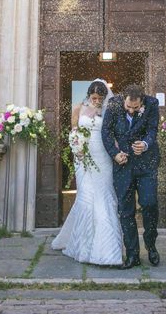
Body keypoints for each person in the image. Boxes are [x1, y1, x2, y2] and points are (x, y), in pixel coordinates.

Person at [51, 79, 122, 265]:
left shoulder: (109, 111)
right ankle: (82, 245)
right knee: (85, 196)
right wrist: (77, 147)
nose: (97, 101)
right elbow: (74, 131)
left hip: (103, 156)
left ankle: (107, 249)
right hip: (83, 157)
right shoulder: (78, 108)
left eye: (100, 98)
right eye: (94, 97)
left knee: (103, 195)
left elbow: (113, 135)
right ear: (89, 95)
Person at [101, 84, 160, 269]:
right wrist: (114, 153)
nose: (132, 111)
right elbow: (106, 131)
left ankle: (151, 245)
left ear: (141, 100)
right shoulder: (113, 104)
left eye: (136, 108)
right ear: (123, 98)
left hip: (146, 164)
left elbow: (152, 130)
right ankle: (132, 254)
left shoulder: (152, 103)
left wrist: (145, 143)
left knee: (149, 203)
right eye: (128, 107)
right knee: (126, 211)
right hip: (123, 164)